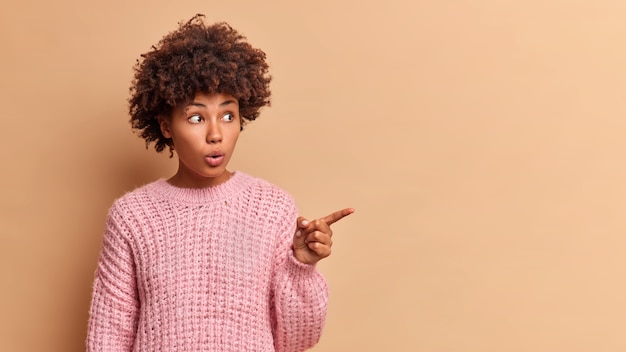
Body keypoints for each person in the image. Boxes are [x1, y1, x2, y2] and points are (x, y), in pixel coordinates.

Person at [86, 14, 353, 352]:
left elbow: (295, 341)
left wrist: (301, 266)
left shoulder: (273, 209)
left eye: (228, 116)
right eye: (196, 118)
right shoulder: (132, 217)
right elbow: (108, 338)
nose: (216, 134)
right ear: (166, 126)